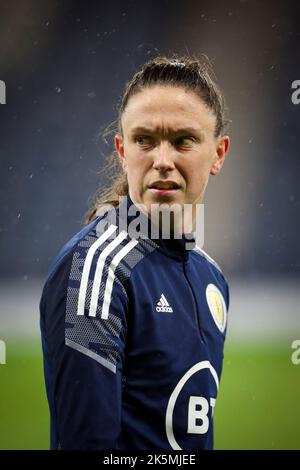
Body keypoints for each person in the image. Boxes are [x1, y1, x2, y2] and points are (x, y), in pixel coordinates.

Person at [40, 54, 230, 450]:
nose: (162, 161)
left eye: (183, 141)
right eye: (145, 140)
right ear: (123, 150)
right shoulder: (97, 270)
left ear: (218, 154)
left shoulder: (211, 277)